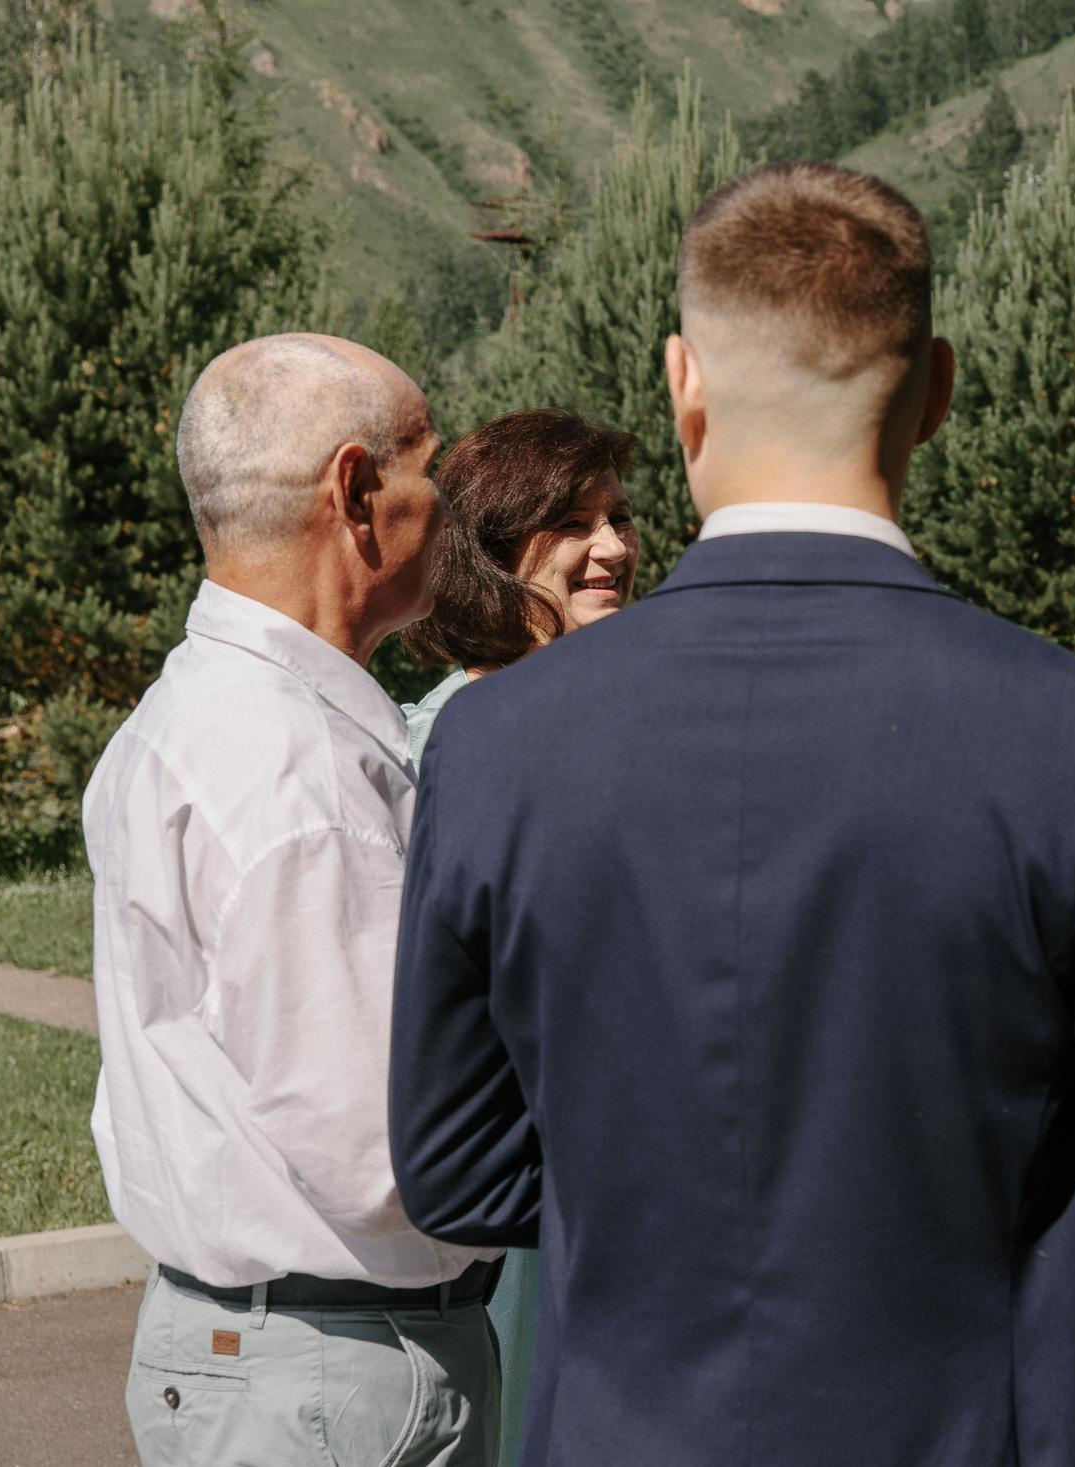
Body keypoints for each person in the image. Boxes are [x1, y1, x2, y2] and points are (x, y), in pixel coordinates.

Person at [385, 161, 1075, 1466]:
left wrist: (655, 1211)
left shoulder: (503, 737)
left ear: (685, 384)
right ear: (940, 392)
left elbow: (455, 1169)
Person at [85, 333, 500, 1467]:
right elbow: (386, 1147)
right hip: (334, 1375)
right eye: (433, 471)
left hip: (265, 1357)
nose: (448, 508)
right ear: (357, 492)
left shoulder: (183, 716)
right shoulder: (296, 768)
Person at [397, 407, 640, 1467]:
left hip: (640, 1176)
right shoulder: (430, 745)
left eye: (622, 517)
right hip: (508, 1191)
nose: (617, 548)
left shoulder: (647, 715)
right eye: (574, 523)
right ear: (495, 546)